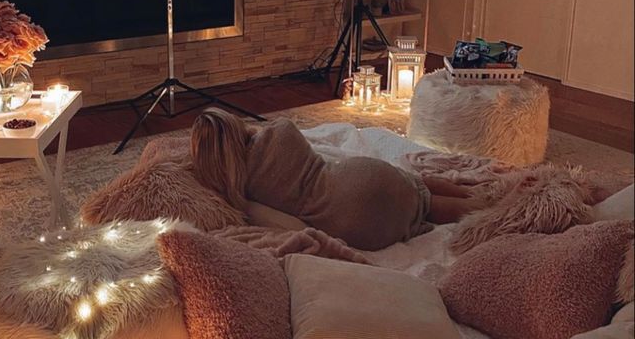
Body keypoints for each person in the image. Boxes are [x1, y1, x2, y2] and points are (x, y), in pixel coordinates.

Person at [190, 108, 484, 252]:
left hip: (351, 227)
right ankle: (493, 200)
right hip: (358, 181)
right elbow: (270, 128)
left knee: (424, 204)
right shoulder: (278, 132)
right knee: (419, 186)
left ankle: (489, 209)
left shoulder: (241, 189)